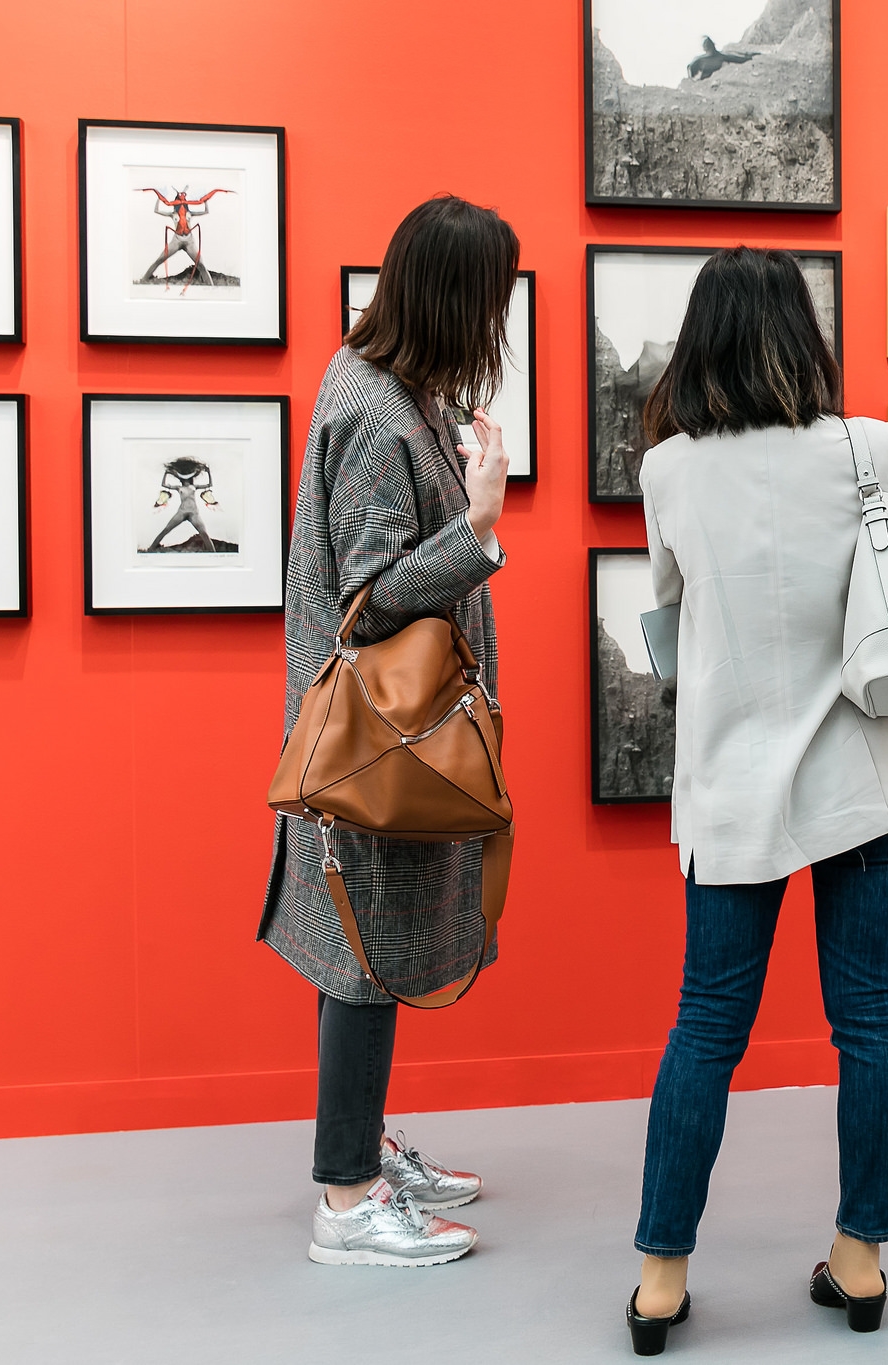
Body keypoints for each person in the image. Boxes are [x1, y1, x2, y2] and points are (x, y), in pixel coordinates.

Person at [627, 247, 888, 1353]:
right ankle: (860, 1260)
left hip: (731, 782)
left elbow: (669, 622)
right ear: (804, 334)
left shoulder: (668, 470)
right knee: (869, 1017)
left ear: (699, 340)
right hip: (864, 775)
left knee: (706, 1026)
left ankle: (661, 1280)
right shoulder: (869, 447)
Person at [257, 195, 517, 1268]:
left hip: (376, 733)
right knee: (363, 954)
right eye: (491, 297)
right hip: (378, 738)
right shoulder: (378, 413)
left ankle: (357, 1149)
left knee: (359, 943)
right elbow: (371, 600)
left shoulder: (378, 382)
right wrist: (479, 524)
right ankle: (348, 1200)